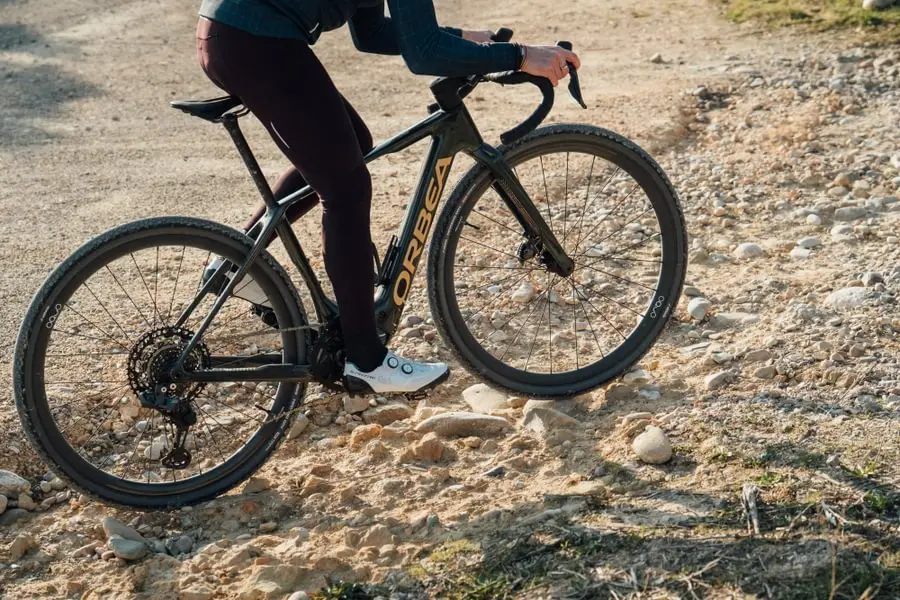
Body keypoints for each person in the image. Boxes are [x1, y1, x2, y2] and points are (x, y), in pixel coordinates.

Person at [195, 0, 580, 394]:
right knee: (347, 189)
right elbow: (424, 52)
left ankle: (233, 266)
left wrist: (466, 40)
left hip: (231, 34)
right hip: (257, 40)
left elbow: (373, 32)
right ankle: (366, 359)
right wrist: (520, 56)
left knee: (351, 147)